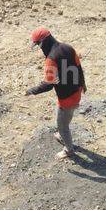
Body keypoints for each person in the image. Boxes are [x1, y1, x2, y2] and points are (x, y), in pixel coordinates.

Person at [26, 28, 87, 160]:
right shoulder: (68, 47)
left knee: (62, 123)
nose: (39, 48)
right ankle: (62, 134)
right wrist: (83, 85)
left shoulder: (51, 59)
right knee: (66, 116)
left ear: (43, 42)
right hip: (77, 91)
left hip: (66, 98)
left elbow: (49, 84)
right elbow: (78, 67)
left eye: (38, 44)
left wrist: (32, 91)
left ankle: (68, 150)